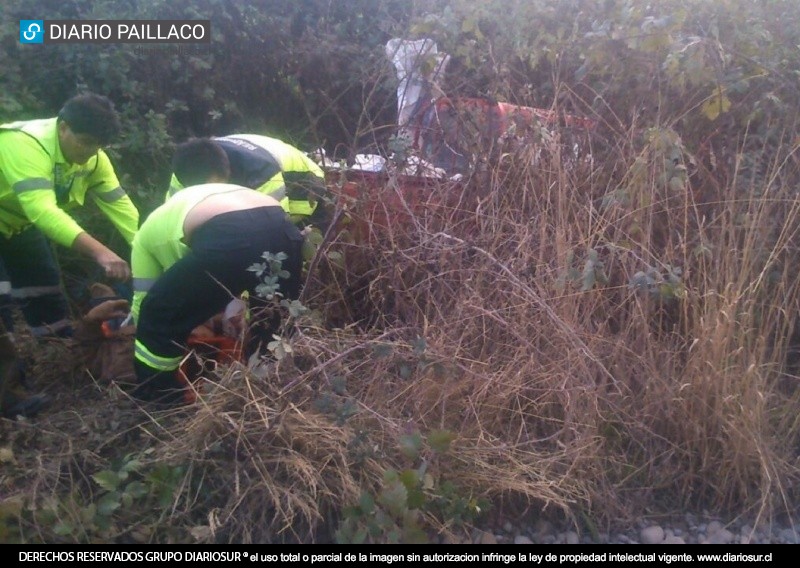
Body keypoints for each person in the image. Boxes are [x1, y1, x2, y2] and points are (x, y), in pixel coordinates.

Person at [132, 140, 304, 404]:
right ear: (226, 173)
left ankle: (160, 399)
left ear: (179, 179)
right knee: (271, 317)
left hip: (227, 232)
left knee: (156, 314)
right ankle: (269, 392)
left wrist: (140, 333)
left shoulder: (156, 222)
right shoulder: (239, 191)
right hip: (281, 225)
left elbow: (149, 298)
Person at [0, 93, 139, 340]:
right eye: (84, 142)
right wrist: (101, 251)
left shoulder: (95, 160)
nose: (89, 152)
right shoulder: (25, 144)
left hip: (17, 224)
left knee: (43, 287)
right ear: (63, 127)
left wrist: (147, 250)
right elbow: (43, 211)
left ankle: (58, 354)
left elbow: (124, 211)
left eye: (97, 146)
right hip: (24, 216)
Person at [167, 134, 330, 229]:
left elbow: (275, 225)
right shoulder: (182, 172)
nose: (210, 195)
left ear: (227, 172)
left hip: (304, 185)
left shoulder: (260, 172)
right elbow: (174, 222)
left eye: (214, 188)